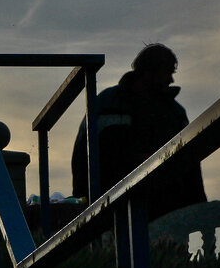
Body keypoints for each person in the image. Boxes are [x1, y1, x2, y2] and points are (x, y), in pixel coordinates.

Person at [71, 43, 206, 217]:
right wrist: (84, 200)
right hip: (114, 208)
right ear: (148, 72)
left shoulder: (175, 113)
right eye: (168, 72)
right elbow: (83, 152)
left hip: (168, 211)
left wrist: (199, 206)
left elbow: (190, 165)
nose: (171, 80)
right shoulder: (106, 103)